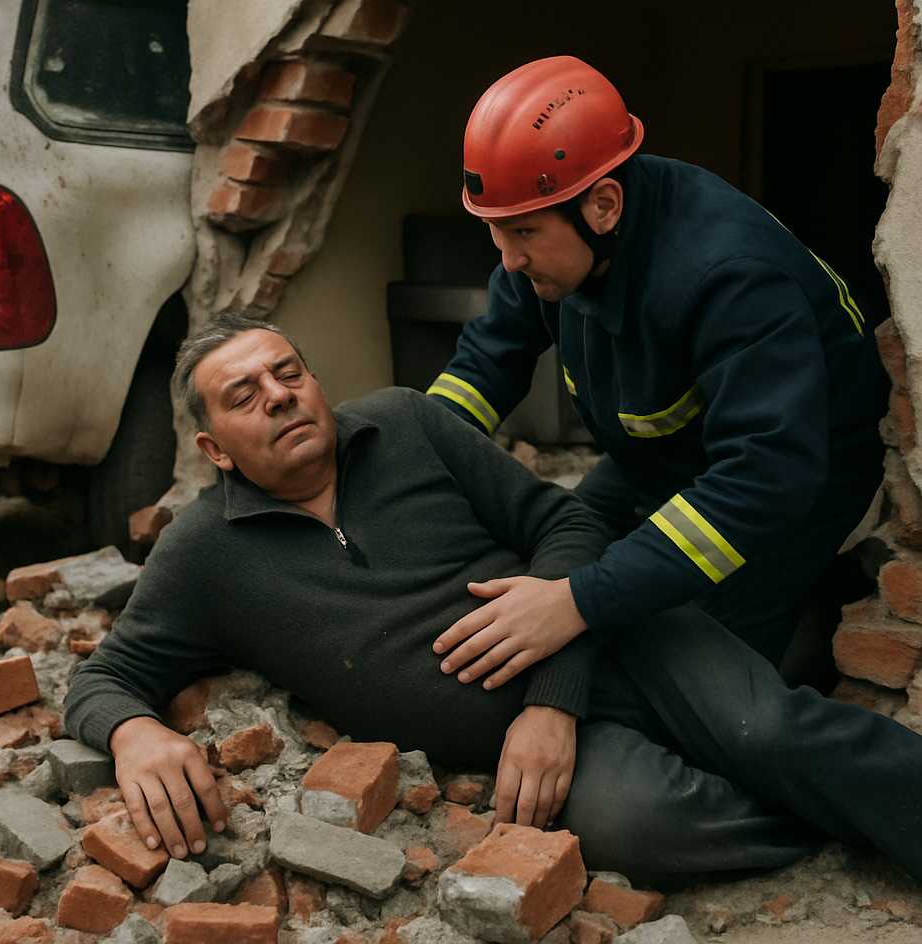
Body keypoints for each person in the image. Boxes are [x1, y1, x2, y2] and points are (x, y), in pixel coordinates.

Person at [64, 314, 922, 886]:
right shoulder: (204, 554)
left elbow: (570, 525)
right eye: (245, 396)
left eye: (287, 372)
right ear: (215, 448)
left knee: (769, 730)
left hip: (627, 639)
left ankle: (867, 788)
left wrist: (551, 702)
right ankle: (839, 814)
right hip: (544, 752)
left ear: (315, 381)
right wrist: (134, 733)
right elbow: (103, 679)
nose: (279, 394)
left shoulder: (405, 423)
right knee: (643, 828)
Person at [427, 55, 890, 683]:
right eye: (496, 231)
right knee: (556, 551)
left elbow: (764, 476)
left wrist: (580, 602)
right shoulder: (555, 236)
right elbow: (488, 359)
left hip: (790, 477)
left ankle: (816, 616)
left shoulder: (728, 275)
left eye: (524, 233)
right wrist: (416, 451)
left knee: (683, 672)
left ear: (604, 205)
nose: (508, 260)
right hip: (661, 455)